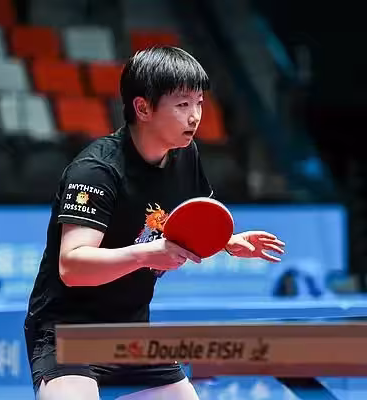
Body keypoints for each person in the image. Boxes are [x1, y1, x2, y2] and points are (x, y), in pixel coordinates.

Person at [24, 46, 286, 400]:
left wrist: (227, 241)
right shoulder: (96, 171)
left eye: (199, 103)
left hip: (129, 333)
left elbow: (193, 218)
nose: (195, 116)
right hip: (68, 333)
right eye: (182, 105)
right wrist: (147, 254)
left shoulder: (184, 156)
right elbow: (73, 267)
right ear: (143, 108)